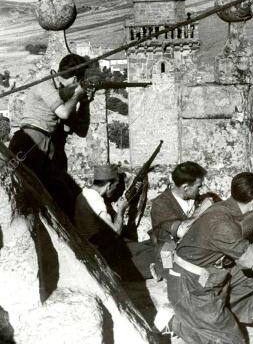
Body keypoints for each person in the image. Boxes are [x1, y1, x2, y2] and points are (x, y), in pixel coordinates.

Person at [155, 172, 253, 344]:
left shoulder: (223, 207)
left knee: (250, 276)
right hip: (190, 289)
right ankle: (178, 324)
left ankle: (217, 320)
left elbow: (245, 231)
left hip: (199, 276)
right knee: (234, 342)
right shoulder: (224, 226)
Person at [9, 54, 93, 218]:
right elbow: (63, 113)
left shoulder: (62, 94)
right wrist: (77, 95)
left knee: (63, 198)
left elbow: (81, 131)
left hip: (45, 145)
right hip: (31, 140)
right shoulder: (45, 85)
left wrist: (84, 103)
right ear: (75, 79)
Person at [74, 164, 156, 281]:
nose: (116, 189)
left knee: (145, 246)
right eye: (116, 186)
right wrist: (121, 210)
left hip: (98, 244)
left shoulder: (84, 194)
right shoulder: (96, 200)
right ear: (109, 185)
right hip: (101, 250)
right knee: (152, 254)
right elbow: (116, 231)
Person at [151, 161, 220, 279]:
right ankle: (160, 270)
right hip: (171, 255)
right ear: (186, 187)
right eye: (198, 186)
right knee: (199, 279)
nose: (201, 189)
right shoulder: (161, 204)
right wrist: (203, 209)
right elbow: (182, 232)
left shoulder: (198, 199)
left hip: (194, 252)